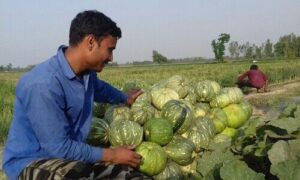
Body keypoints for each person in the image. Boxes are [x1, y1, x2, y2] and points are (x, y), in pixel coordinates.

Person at [2, 10, 150, 180]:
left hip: (67, 157)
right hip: (32, 162)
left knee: (130, 176)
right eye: (109, 49)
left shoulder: (86, 73)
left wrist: (125, 98)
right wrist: (111, 155)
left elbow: (100, 89)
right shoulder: (44, 84)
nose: (111, 57)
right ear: (91, 42)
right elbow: (57, 148)